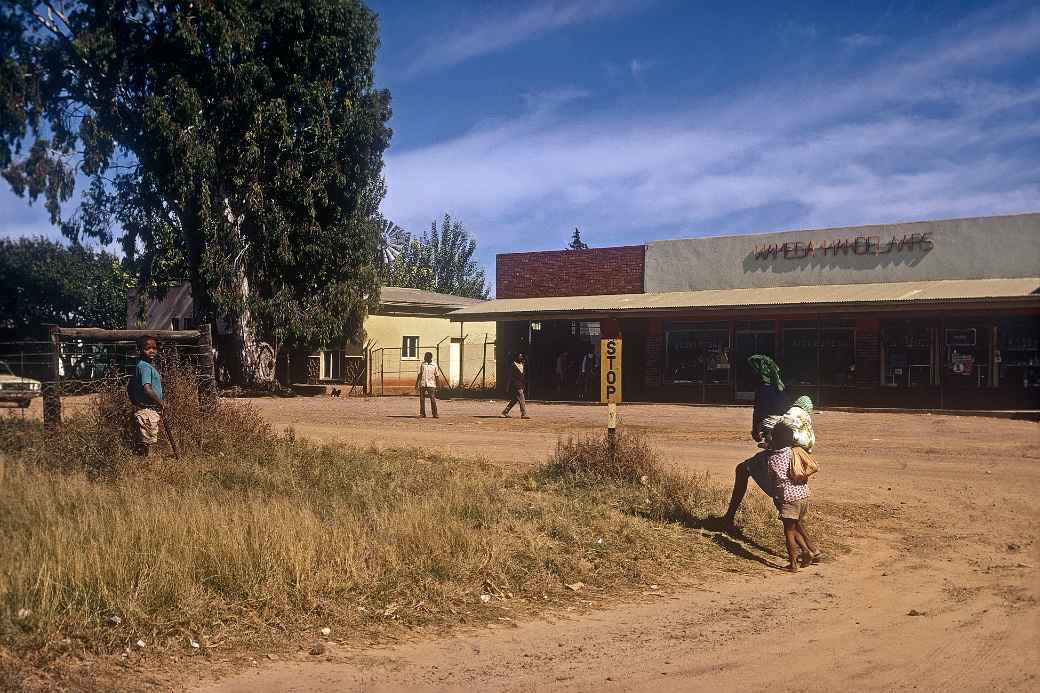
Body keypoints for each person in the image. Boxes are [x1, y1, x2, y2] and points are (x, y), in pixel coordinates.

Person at [722, 354, 789, 528]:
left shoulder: (763, 391)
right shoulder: (781, 389)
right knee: (780, 495)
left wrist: (756, 431)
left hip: (775, 449)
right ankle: (728, 517)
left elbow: (759, 418)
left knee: (779, 497)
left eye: (753, 371)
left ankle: (728, 518)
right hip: (786, 448)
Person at [766, 425, 820, 572]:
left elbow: (773, 478)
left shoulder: (773, 459)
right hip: (803, 495)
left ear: (775, 439)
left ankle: (793, 564)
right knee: (795, 525)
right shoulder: (795, 452)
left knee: (788, 532)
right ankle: (806, 551)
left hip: (788, 498)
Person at [128, 335, 164, 457]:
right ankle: (150, 464)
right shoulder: (145, 367)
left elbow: (130, 386)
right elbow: (147, 389)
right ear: (140, 350)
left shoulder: (141, 366)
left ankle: (145, 461)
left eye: (154, 348)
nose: (152, 351)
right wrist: (161, 403)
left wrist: (135, 403)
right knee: (150, 440)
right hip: (148, 410)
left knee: (146, 438)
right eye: (148, 348)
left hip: (146, 409)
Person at [502, 352, 530, 419]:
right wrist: (507, 387)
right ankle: (524, 414)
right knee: (521, 396)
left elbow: (523, 375)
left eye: (521, 356)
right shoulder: (513, 365)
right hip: (515, 384)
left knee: (515, 399)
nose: (521, 358)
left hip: (521, 384)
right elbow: (509, 376)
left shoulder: (522, 364)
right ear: (516, 357)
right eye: (519, 356)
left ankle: (505, 412)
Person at [415, 352, 440, 418]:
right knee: (422, 399)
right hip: (423, 384)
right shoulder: (423, 364)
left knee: (432, 399)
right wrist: (417, 383)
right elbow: (419, 374)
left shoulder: (434, 365)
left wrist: (438, 386)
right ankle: (422, 414)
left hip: (431, 385)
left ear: (429, 358)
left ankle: (435, 413)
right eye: (425, 356)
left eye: (426, 357)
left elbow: (437, 376)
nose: (424, 358)